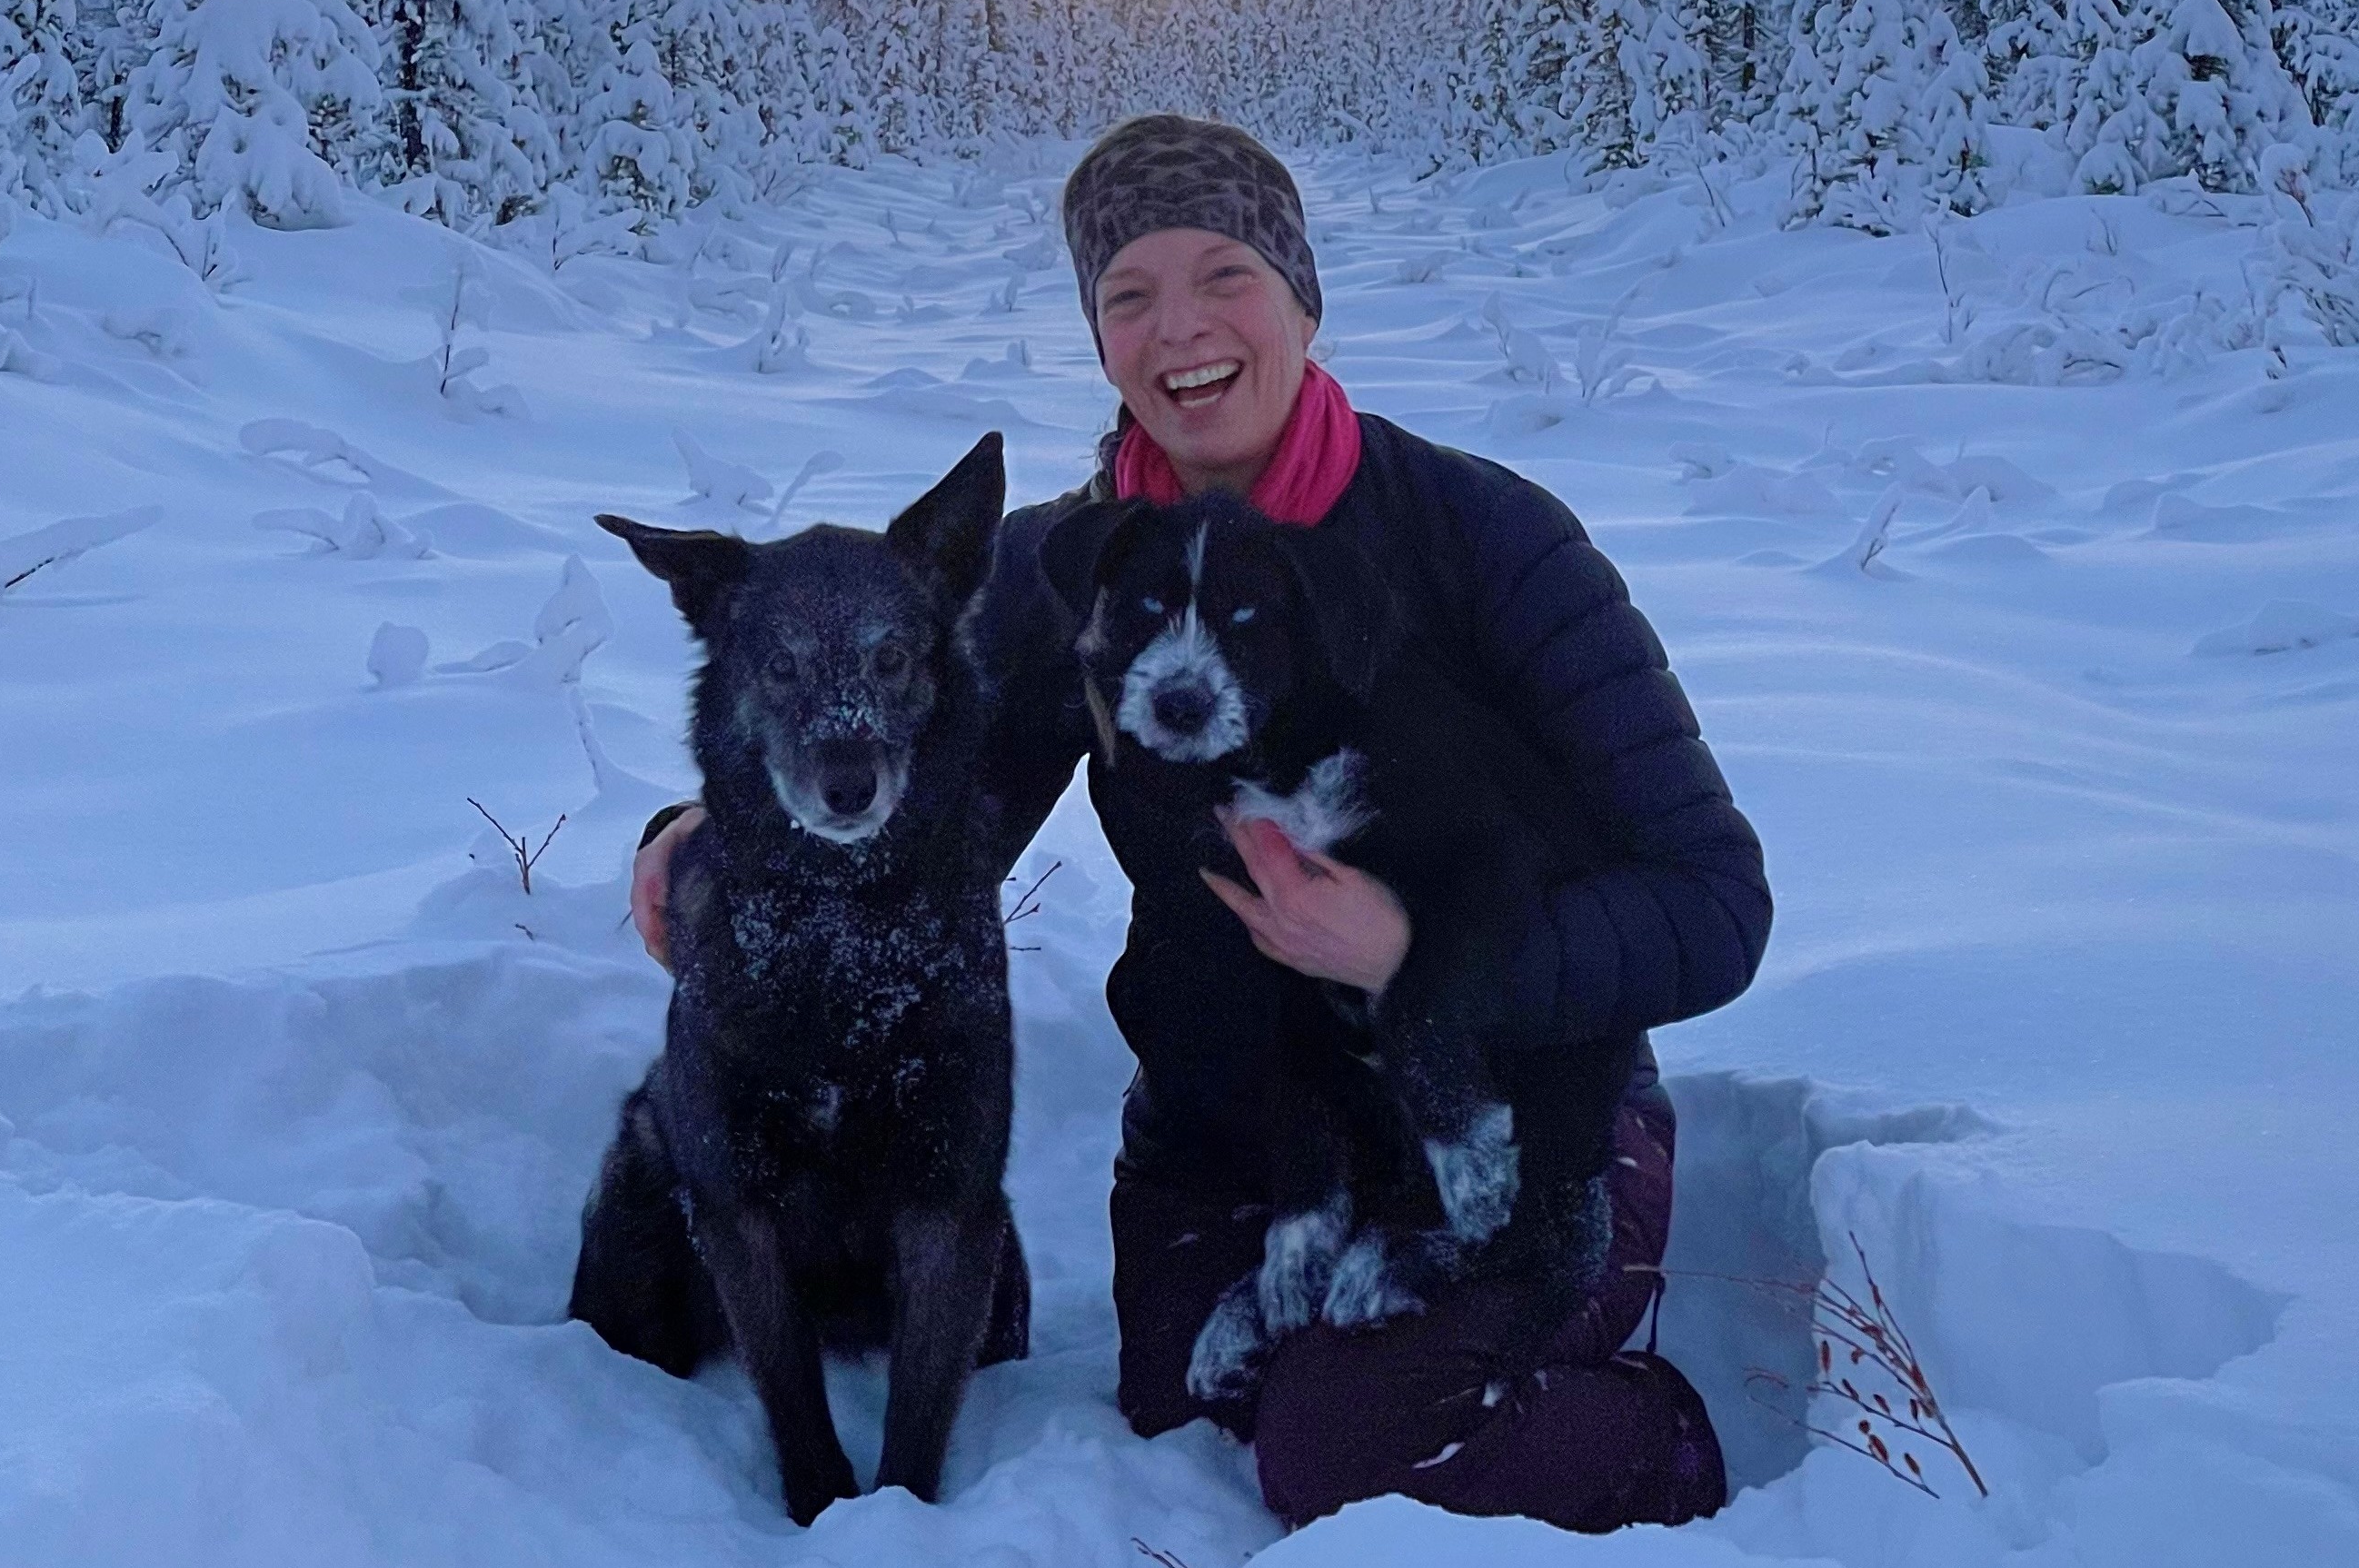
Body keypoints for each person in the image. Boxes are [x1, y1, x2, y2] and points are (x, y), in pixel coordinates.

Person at [630, 114, 1770, 1532]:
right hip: (1240, 1130)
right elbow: (918, 796)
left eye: (1224, 274)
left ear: (1301, 295)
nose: (1181, 329)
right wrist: (710, 836)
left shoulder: (1487, 541)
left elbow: (1717, 904)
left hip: (1517, 1106)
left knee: (1350, 1448)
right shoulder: (1070, 566)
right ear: (1098, 339)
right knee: (1185, 1403)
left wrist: (1412, 952)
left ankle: (1654, 1443)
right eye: (1128, 296)